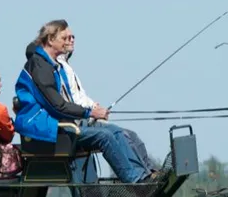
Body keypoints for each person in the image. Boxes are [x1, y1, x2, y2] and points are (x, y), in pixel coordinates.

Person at [13, 19, 158, 184]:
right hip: (46, 128)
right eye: (64, 38)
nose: (69, 41)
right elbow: (57, 106)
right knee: (105, 136)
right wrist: (90, 112)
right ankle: (135, 182)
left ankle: (144, 176)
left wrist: (90, 111)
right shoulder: (40, 66)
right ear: (51, 40)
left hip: (61, 123)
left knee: (116, 132)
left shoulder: (52, 65)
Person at [56, 26, 154, 170]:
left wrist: (93, 106)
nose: (72, 40)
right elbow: (71, 101)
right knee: (124, 136)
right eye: (67, 38)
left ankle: (150, 171)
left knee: (132, 136)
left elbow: (80, 96)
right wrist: (93, 111)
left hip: (85, 119)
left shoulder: (66, 66)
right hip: (79, 124)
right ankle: (141, 176)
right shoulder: (59, 68)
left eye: (73, 37)